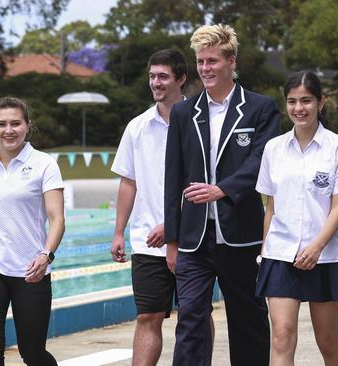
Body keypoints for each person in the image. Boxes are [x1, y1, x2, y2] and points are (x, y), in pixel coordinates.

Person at [164, 24, 280, 365]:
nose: (205, 68)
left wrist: (223, 189)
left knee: (248, 319)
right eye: (200, 61)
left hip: (241, 236)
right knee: (190, 319)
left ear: (231, 62)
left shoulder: (260, 108)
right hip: (194, 241)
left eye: (212, 61)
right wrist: (173, 240)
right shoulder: (185, 112)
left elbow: (262, 161)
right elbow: (173, 178)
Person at [110, 49, 214, 365]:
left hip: (193, 239)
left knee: (196, 314)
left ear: (181, 79)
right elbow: (129, 182)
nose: (156, 82)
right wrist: (118, 232)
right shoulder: (137, 127)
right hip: (146, 241)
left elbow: (207, 183)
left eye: (163, 76)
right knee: (148, 316)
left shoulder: (202, 123)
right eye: (152, 76)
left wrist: (175, 224)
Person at [255, 71, 338, 365]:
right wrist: (265, 253)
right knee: (282, 336)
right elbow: (271, 208)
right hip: (280, 255)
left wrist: (316, 247)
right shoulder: (273, 149)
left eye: (306, 101)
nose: (299, 108)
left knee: (327, 341)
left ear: (320, 102)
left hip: (325, 257)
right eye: (292, 101)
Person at [0, 96, 65, 366]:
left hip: (31, 271)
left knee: (32, 352)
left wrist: (46, 255)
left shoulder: (44, 164)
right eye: (1, 124)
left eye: (15, 123)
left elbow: (57, 218)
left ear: (27, 125)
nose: (8, 130)